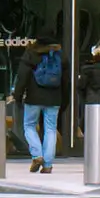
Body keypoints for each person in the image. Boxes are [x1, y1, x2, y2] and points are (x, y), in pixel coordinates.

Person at [24, 39, 65, 172]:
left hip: (33, 98)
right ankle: (47, 165)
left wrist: (18, 95)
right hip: (54, 98)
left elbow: (22, 75)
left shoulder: (31, 54)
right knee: (50, 129)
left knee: (29, 125)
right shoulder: (60, 56)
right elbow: (66, 79)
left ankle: (37, 155)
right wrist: (65, 99)